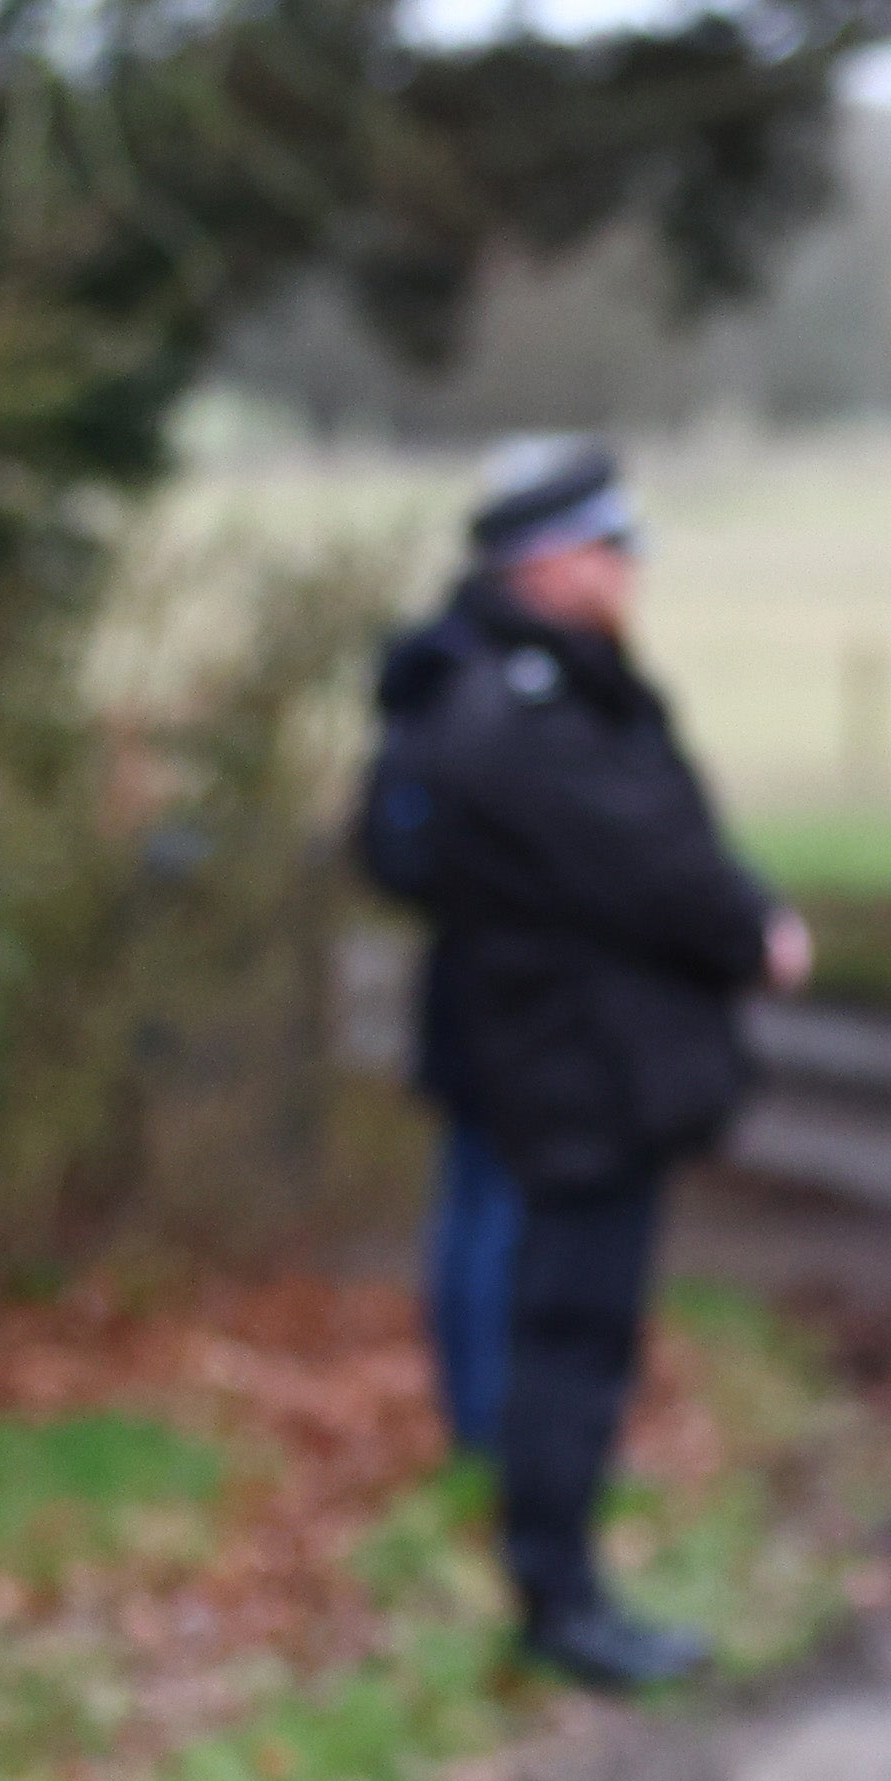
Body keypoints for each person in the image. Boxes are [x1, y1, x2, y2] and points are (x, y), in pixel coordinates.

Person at [354, 438, 812, 1695]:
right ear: (547, 562)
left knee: (555, 1317)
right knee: (571, 1334)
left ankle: (559, 1576)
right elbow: (644, 858)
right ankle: (560, 1600)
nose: (627, 574)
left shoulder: (479, 684)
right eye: (609, 551)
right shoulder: (525, 708)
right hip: (575, 1068)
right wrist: (751, 930)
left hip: (547, 1052)